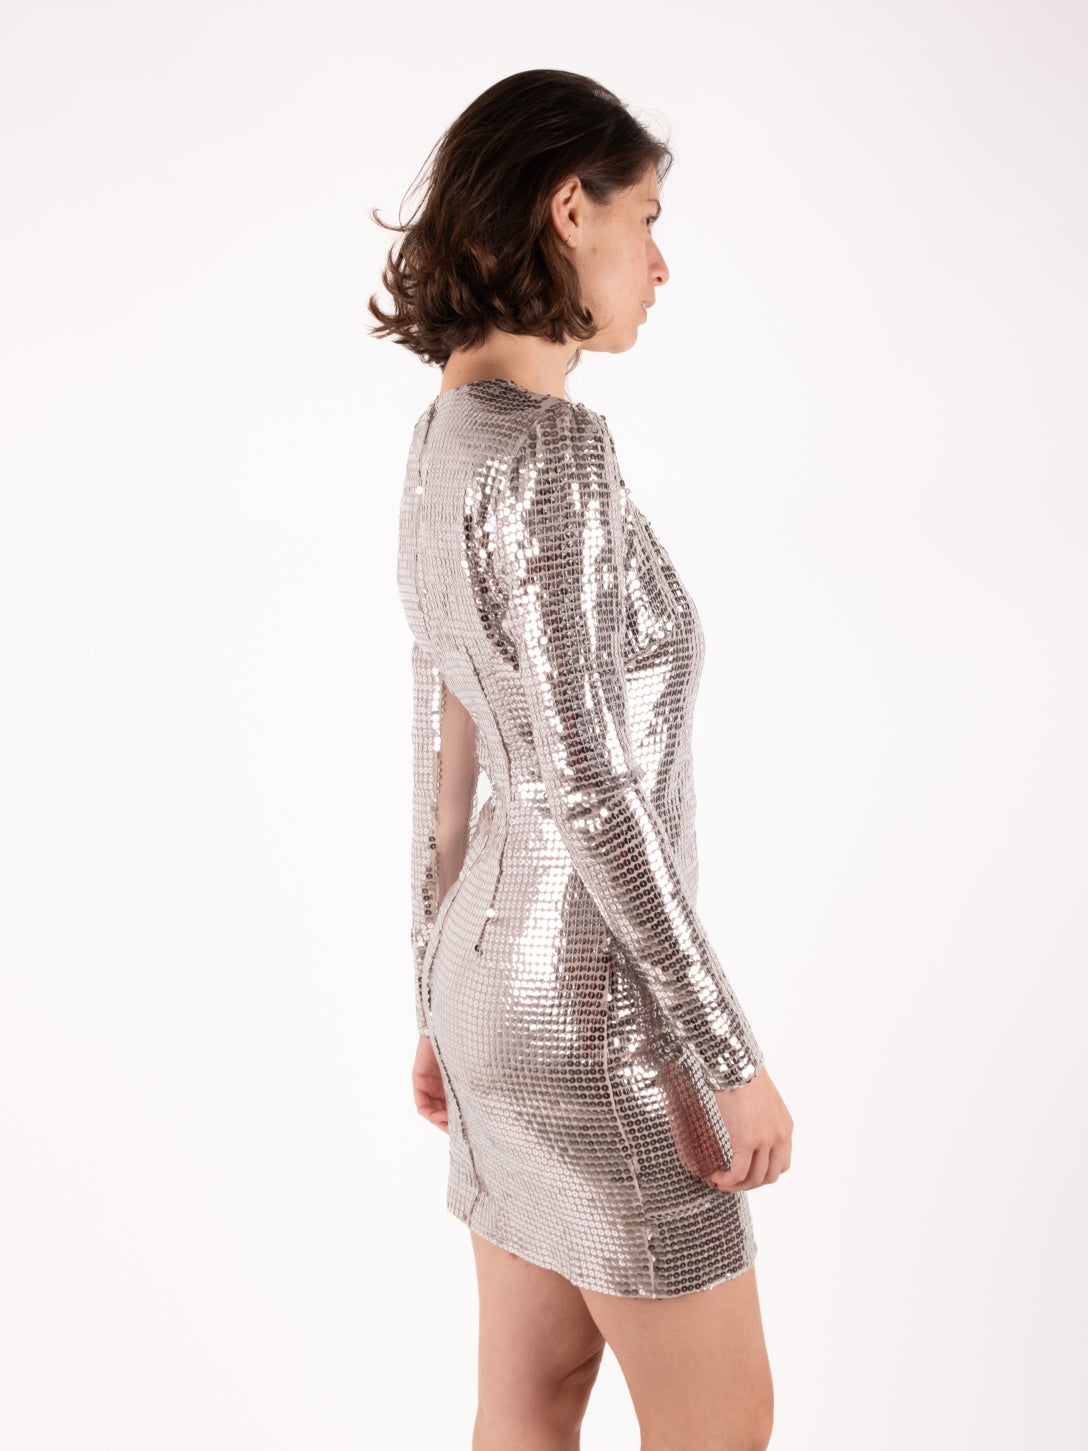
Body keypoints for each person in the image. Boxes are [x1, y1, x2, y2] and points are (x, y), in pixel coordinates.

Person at [369, 69, 794, 1451]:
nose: (660, 264)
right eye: (646, 218)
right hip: (599, 1016)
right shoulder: (552, 455)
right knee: (723, 1422)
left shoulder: (442, 437)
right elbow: (584, 781)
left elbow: (445, 738)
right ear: (571, 208)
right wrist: (721, 1051)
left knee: (529, 1401)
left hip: (491, 997)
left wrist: (434, 993)